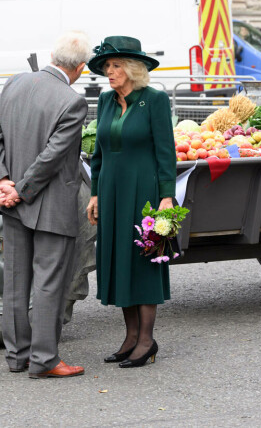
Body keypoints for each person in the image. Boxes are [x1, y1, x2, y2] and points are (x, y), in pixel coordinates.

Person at [0, 31, 91, 379]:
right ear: (81, 68)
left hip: (12, 201)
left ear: (53, 57)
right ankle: (44, 359)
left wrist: (2, 181)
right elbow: (53, 157)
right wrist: (21, 190)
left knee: (15, 282)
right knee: (48, 283)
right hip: (49, 204)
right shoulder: (72, 101)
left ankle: (18, 357)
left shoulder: (14, 84)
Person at [86, 36, 174, 369]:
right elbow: (99, 153)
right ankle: (130, 337)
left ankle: (147, 340)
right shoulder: (106, 101)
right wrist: (94, 193)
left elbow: (165, 151)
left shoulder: (154, 100)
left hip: (145, 192)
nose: (109, 72)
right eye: (107, 66)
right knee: (119, 257)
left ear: (133, 69)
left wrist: (167, 196)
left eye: (116, 65)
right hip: (111, 190)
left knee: (143, 259)